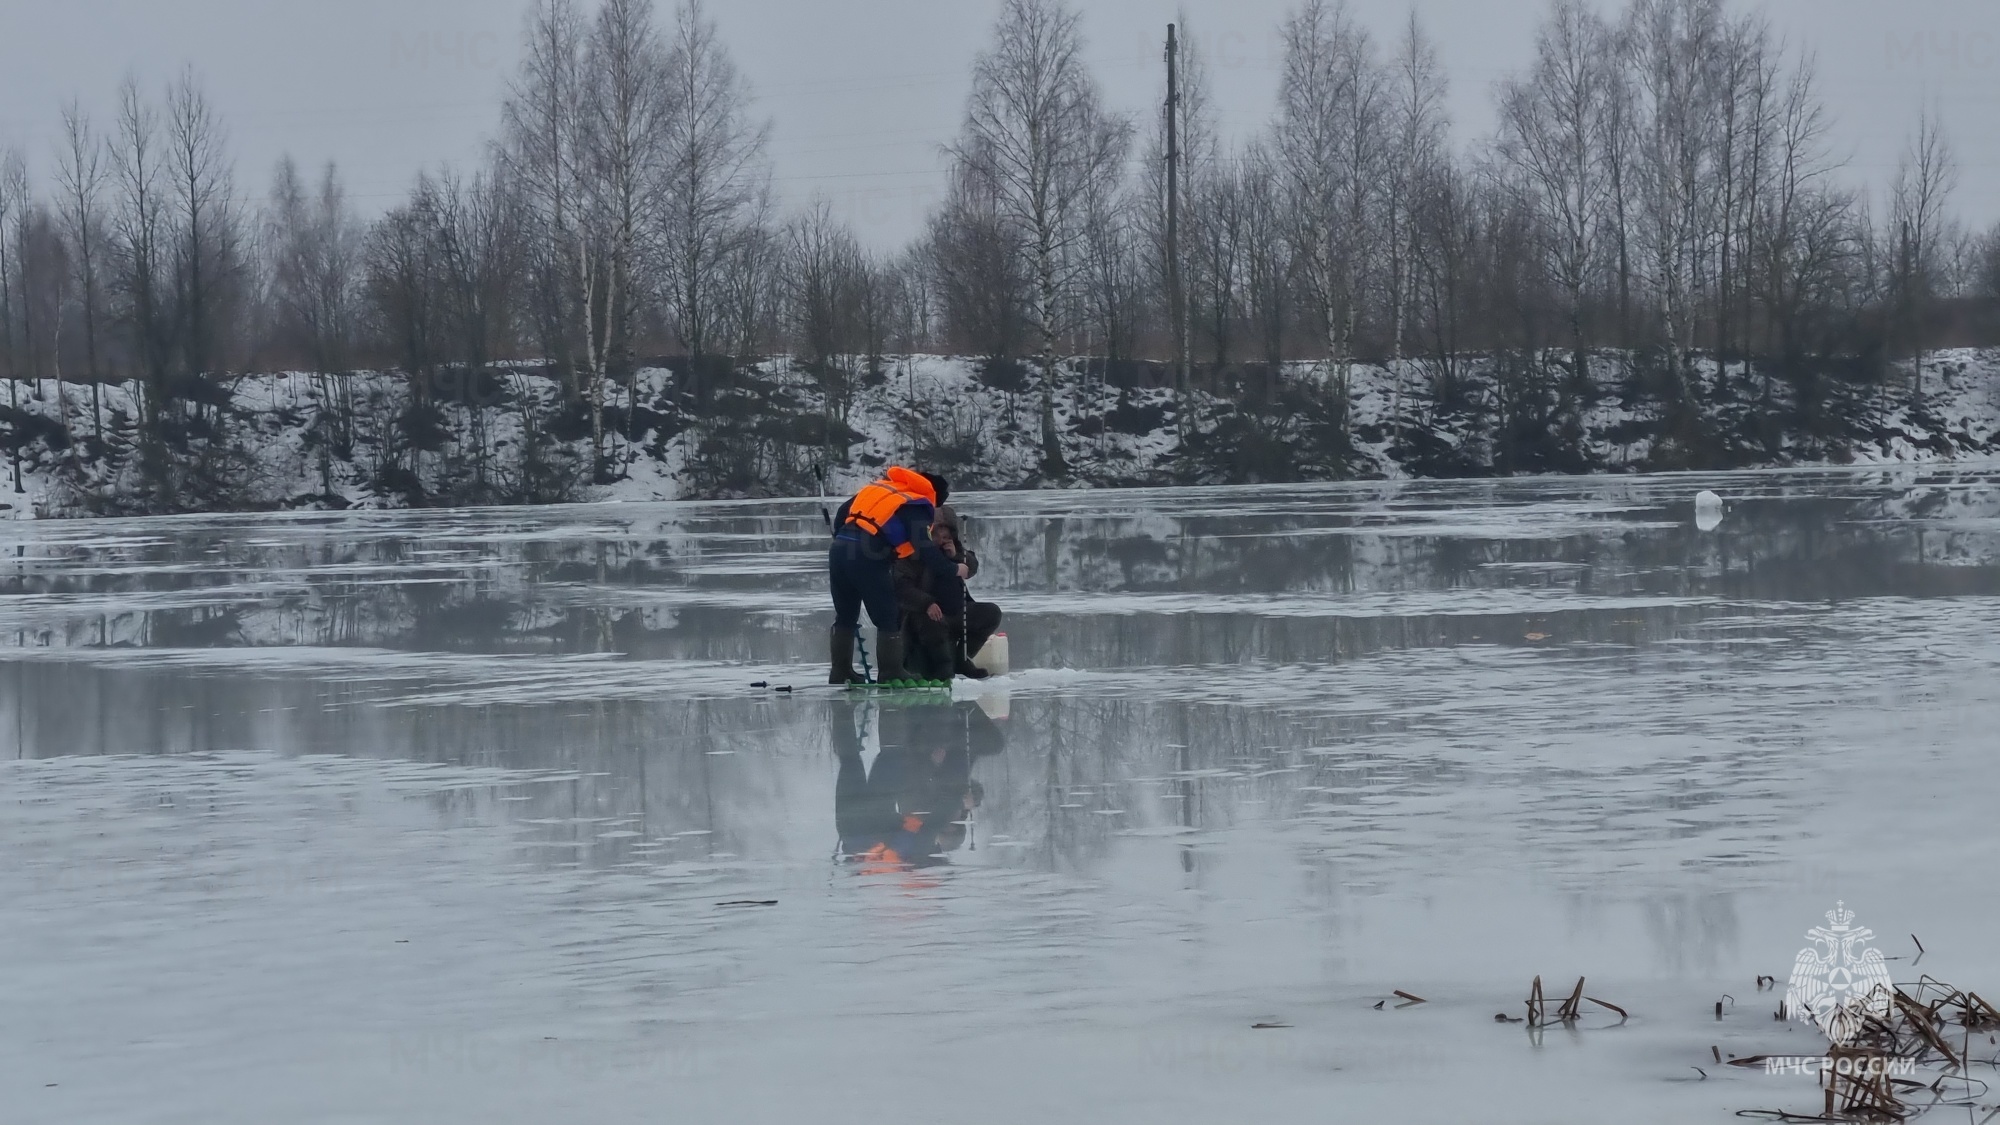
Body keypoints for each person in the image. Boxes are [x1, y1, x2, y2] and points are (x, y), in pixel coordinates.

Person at [827, 466, 961, 684]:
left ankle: (840, 671)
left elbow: (843, 512)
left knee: (845, 615)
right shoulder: (915, 504)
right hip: (867, 556)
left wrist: (846, 536)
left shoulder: (882, 489)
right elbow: (925, 548)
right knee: (888, 615)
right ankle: (891, 672)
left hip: (840, 549)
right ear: (933, 496)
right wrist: (954, 569)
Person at [894, 506, 1002, 680]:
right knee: (934, 624)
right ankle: (945, 670)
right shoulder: (912, 555)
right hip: (925, 615)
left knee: (991, 613)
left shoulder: (954, 552)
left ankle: (962, 658)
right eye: (936, 536)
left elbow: (970, 565)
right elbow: (902, 588)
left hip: (957, 612)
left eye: (946, 537)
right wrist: (926, 603)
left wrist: (956, 557)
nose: (941, 541)